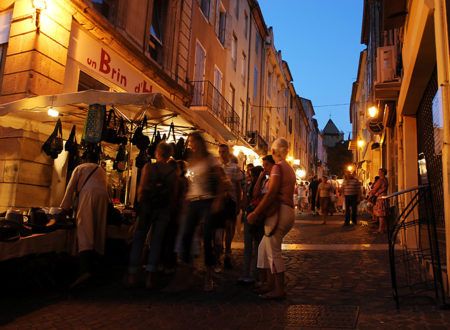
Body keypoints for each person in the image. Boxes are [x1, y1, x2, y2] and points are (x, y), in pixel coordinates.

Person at [247, 138, 296, 300]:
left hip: (279, 212)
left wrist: (256, 213)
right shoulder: (288, 168)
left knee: (274, 251)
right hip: (287, 211)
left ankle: (279, 288)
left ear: (274, 152)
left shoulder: (277, 167)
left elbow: (272, 192)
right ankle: (269, 283)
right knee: (263, 248)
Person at [126, 142, 178, 288]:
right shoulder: (172, 172)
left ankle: (132, 275)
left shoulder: (149, 167)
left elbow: (141, 190)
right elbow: (174, 195)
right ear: (169, 154)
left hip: (147, 208)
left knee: (139, 239)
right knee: (156, 242)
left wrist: (140, 207)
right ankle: (150, 276)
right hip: (163, 210)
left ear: (157, 152)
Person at [180, 132, 225, 291]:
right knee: (186, 235)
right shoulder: (190, 160)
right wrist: (186, 197)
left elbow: (221, 180)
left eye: (192, 141)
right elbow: (190, 182)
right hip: (193, 201)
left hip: (207, 201)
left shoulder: (210, 159)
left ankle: (209, 274)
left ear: (199, 142)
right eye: (189, 141)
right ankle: (187, 269)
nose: (190, 144)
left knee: (207, 238)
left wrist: (218, 199)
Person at [60, 147, 109, 288]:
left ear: (84, 158)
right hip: (103, 198)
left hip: (88, 196)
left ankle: (85, 270)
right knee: (98, 228)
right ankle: (97, 267)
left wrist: (64, 208)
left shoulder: (80, 168)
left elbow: (70, 188)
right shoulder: (101, 170)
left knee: (85, 228)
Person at [217, 144, 243, 270]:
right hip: (218, 201)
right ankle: (219, 250)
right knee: (218, 228)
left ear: (228, 153)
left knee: (229, 227)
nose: (221, 154)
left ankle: (227, 252)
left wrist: (238, 203)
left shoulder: (234, 168)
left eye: (224, 152)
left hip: (230, 201)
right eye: (220, 151)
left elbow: (238, 187)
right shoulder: (216, 167)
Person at [368, 169, 389, 234]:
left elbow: (374, 189)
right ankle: (384, 228)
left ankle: (381, 229)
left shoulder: (381, 180)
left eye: (380, 172)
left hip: (380, 198)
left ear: (383, 173)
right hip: (384, 197)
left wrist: (371, 195)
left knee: (381, 214)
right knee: (383, 214)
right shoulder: (385, 180)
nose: (378, 173)